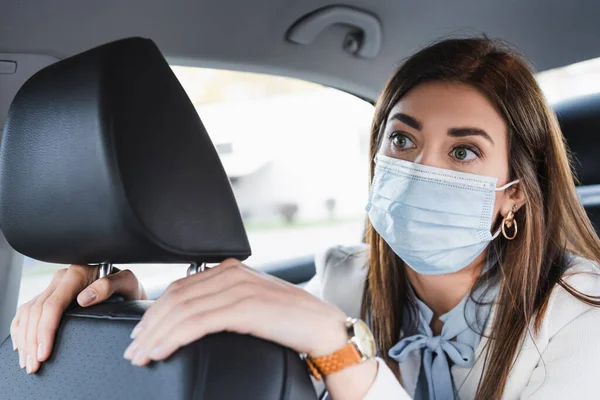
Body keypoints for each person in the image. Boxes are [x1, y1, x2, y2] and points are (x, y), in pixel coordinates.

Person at [10, 37, 600, 400]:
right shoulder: (348, 278)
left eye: (463, 151)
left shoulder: (581, 321)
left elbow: (318, 333)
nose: (422, 168)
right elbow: (251, 327)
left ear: (514, 194)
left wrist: (339, 350)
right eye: (402, 139)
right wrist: (135, 304)